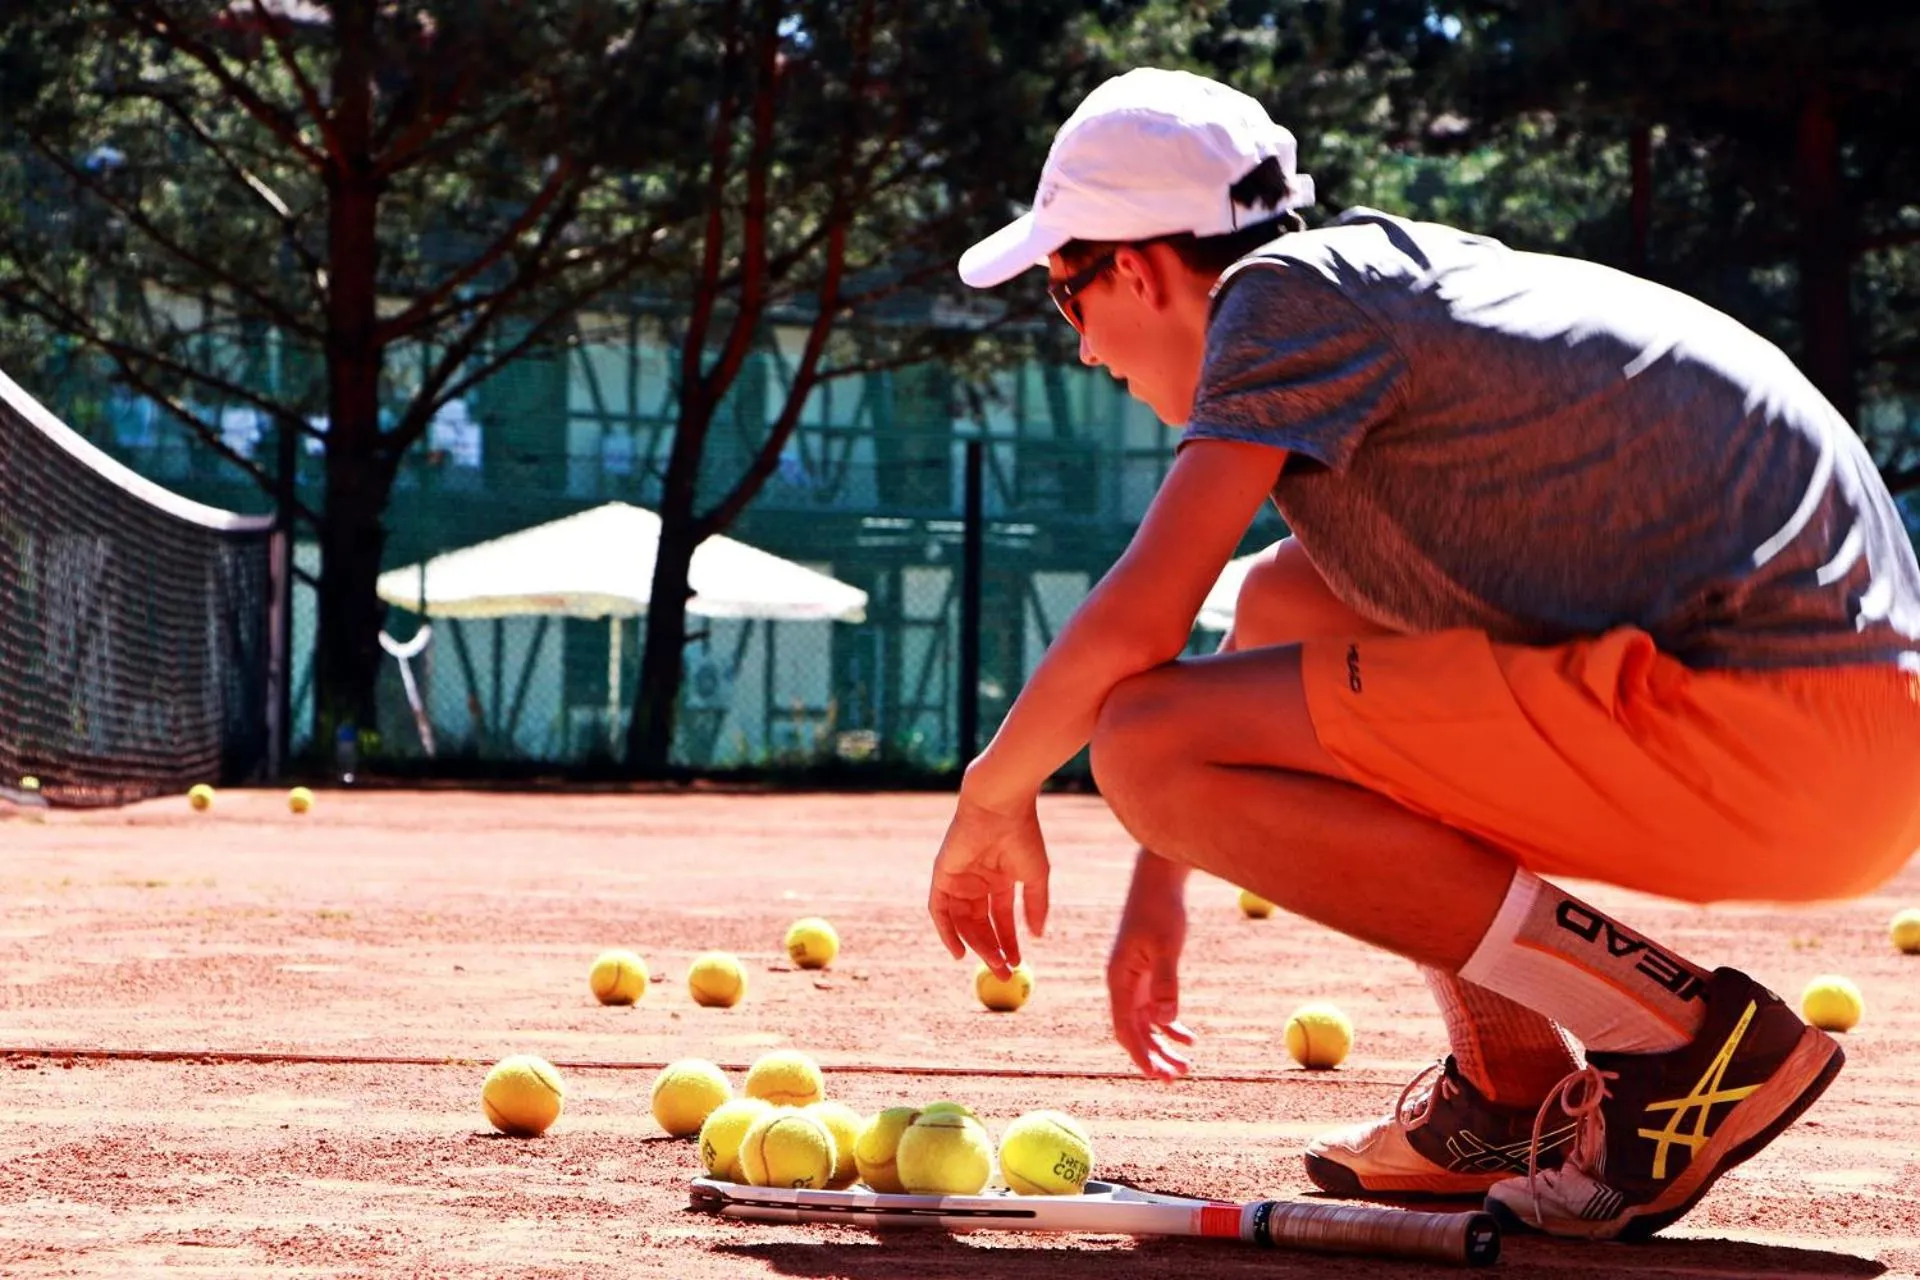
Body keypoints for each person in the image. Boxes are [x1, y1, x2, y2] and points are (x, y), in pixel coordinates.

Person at [928, 66, 1920, 1241]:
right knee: (1300, 596)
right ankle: (1506, 1089)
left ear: (1134, 269)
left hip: (1781, 719)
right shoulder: (1375, 288)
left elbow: (1145, 619)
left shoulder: (1279, 300)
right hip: (1845, 741)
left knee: (1142, 741)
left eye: (1063, 293)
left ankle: (1682, 1037)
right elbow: (1276, 623)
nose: (1083, 348)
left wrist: (993, 794)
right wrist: (1161, 883)